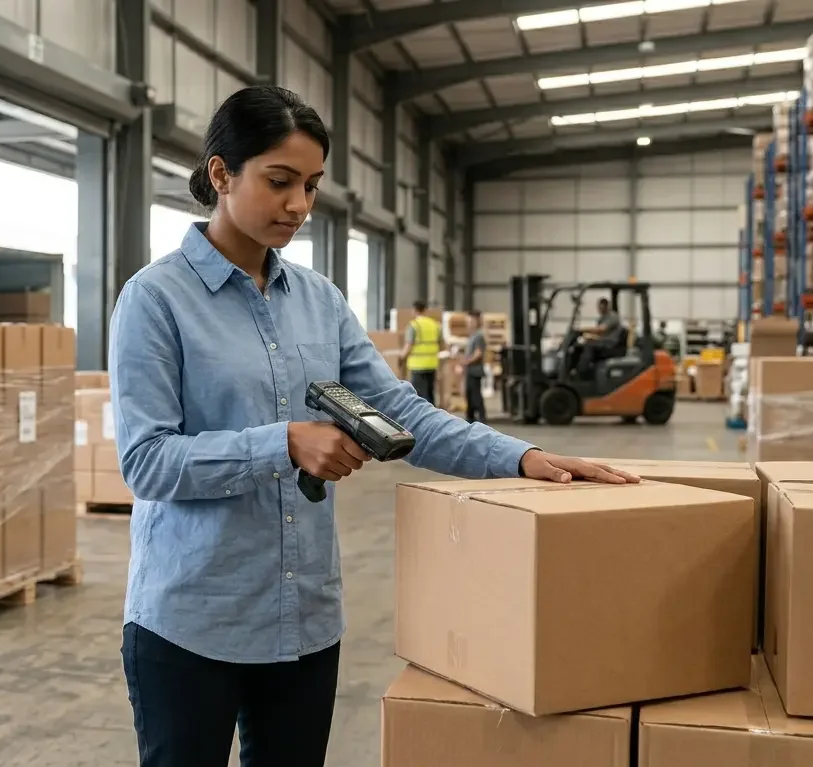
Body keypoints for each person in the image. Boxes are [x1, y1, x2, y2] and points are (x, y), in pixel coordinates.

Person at [108, 84, 638, 767]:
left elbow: (402, 413)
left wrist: (522, 457)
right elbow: (147, 461)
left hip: (301, 619)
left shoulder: (319, 302)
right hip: (191, 623)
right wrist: (284, 442)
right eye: (279, 182)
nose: (299, 206)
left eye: (311, 185)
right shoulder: (155, 300)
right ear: (221, 173)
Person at [399, 300, 440, 404]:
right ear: (425, 310)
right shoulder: (435, 324)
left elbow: (409, 345)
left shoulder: (414, 325)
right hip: (432, 364)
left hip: (417, 366)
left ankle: (423, 414)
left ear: (415, 310)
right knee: (430, 393)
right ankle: (432, 412)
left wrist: (401, 358)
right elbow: (442, 345)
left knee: (420, 395)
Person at [576, 297, 625, 378]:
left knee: (589, 347)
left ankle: (583, 372)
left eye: (601, 307)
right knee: (582, 345)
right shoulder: (601, 319)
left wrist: (582, 330)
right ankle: (578, 370)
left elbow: (601, 329)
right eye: (599, 307)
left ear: (607, 307)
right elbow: (599, 335)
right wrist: (589, 337)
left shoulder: (613, 316)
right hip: (603, 342)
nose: (599, 309)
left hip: (611, 344)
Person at [462, 310, 487, 424]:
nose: (469, 323)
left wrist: (467, 361)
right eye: (468, 321)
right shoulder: (473, 336)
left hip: (475, 371)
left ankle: (481, 417)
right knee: (469, 394)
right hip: (470, 370)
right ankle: (470, 417)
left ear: (477, 321)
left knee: (475, 395)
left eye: (471, 321)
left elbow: (478, 353)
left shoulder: (479, 336)